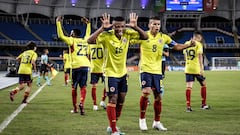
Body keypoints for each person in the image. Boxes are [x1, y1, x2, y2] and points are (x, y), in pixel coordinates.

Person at [87, 13, 148, 135]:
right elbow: (89, 40)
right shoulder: (106, 36)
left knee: (121, 100)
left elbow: (145, 37)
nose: (119, 29)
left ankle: (113, 126)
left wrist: (135, 27)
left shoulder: (127, 34)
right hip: (110, 73)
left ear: (124, 26)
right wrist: (102, 28)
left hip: (123, 73)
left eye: (121, 26)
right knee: (113, 99)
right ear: (112, 26)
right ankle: (114, 130)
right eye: (116, 26)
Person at [133, 16, 195, 131]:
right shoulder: (143, 35)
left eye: (158, 24)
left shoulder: (164, 37)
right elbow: (129, 40)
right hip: (145, 69)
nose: (156, 26)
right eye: (154, 24)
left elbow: (176, 46)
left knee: (158, 96)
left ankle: (157, 122)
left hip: (157, 71)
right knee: (146, 92)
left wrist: (188, 45)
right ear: (149, 25)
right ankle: (142, 120)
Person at [56, 16, 91, 115]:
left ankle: (75, 108)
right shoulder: (85, 40)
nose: (70, 34)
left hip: (76, 66)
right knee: (83, 87)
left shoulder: (72, 41)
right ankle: (81, 103)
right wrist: (88, 24)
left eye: (71, 33)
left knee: (74, 88)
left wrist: (58, 23)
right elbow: (88, 34)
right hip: (85, 66)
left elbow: (61, 36)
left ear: (74, 34)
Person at [183, 31, 210, 112]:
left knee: (189, 87)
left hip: (188, 68)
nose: (201, 40)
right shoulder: (198, 44)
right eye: (200, 38)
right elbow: (200, 57)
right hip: (196, 68)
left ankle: (188, 107)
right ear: (198, 37)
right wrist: (202, 69)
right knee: (203, 84)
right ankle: (203, 104)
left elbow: (184, 56)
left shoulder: (186, 43)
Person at [89, 43, 107, 110]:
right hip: (103, 69)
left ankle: (95, 105)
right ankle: (102, 101)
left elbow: (88, 56)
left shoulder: (90, 45)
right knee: (107, 86)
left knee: (94, 87)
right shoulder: (104, 45)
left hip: (94, 69)